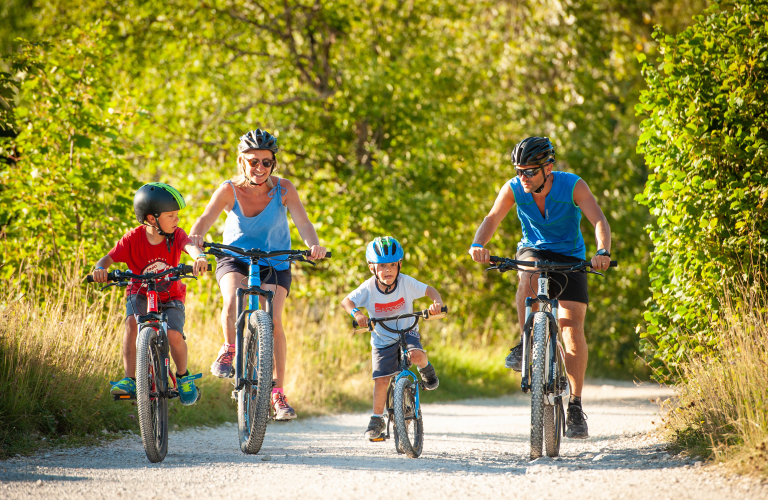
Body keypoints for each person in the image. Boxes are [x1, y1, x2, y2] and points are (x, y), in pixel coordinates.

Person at [468, 136, 612, 439]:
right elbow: (492, 218)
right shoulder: (514, 189)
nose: (523, 178)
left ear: (548, 167)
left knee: (572, 329)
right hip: (534, 250)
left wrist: (602, 251)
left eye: (530, 171)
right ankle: (525, 343)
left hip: (570, 257)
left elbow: (598, 218)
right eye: (519, 171)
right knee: (527, 275)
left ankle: (574, 404)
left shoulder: (573, 186)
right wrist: (478, 244)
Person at [188, 129, 327, 421]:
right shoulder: (229, 189)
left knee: (274, 321)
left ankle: (277, 391)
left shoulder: (284, 189)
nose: (260, 168)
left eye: (266, 162)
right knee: (232, 302)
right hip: (235, 258)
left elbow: (303, 221)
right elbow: (205, 218)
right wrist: (197, 236)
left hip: (275, 261)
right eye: (253, 161)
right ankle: (229, 348)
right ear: (241, 161)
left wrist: (313, 245)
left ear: (273, 163)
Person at [92, 182, 208, 406]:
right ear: (152, 218)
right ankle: (130, 378)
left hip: (170, 296)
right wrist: (100, 269)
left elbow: (190, 247)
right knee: (131, 325)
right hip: (140, 292)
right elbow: (108, 258)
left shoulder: (177, 236)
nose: (177, 219)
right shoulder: (132, 239)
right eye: (171, 215)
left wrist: (199, 257)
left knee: (174, 335)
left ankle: (183, 377)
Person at [341, 236, 443, 441]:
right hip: (382, 338)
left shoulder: (406, 282)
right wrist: (358, 314)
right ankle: (377, 419)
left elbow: (430, 290)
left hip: (408, 330)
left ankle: (426, 370)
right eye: (382, 266)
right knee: (381, 380)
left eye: (392, 265)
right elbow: (347, 301)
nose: (387, 270)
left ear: (399, 265)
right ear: (372, 268)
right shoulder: (368, 288)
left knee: (415, 355)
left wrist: (436, 302)